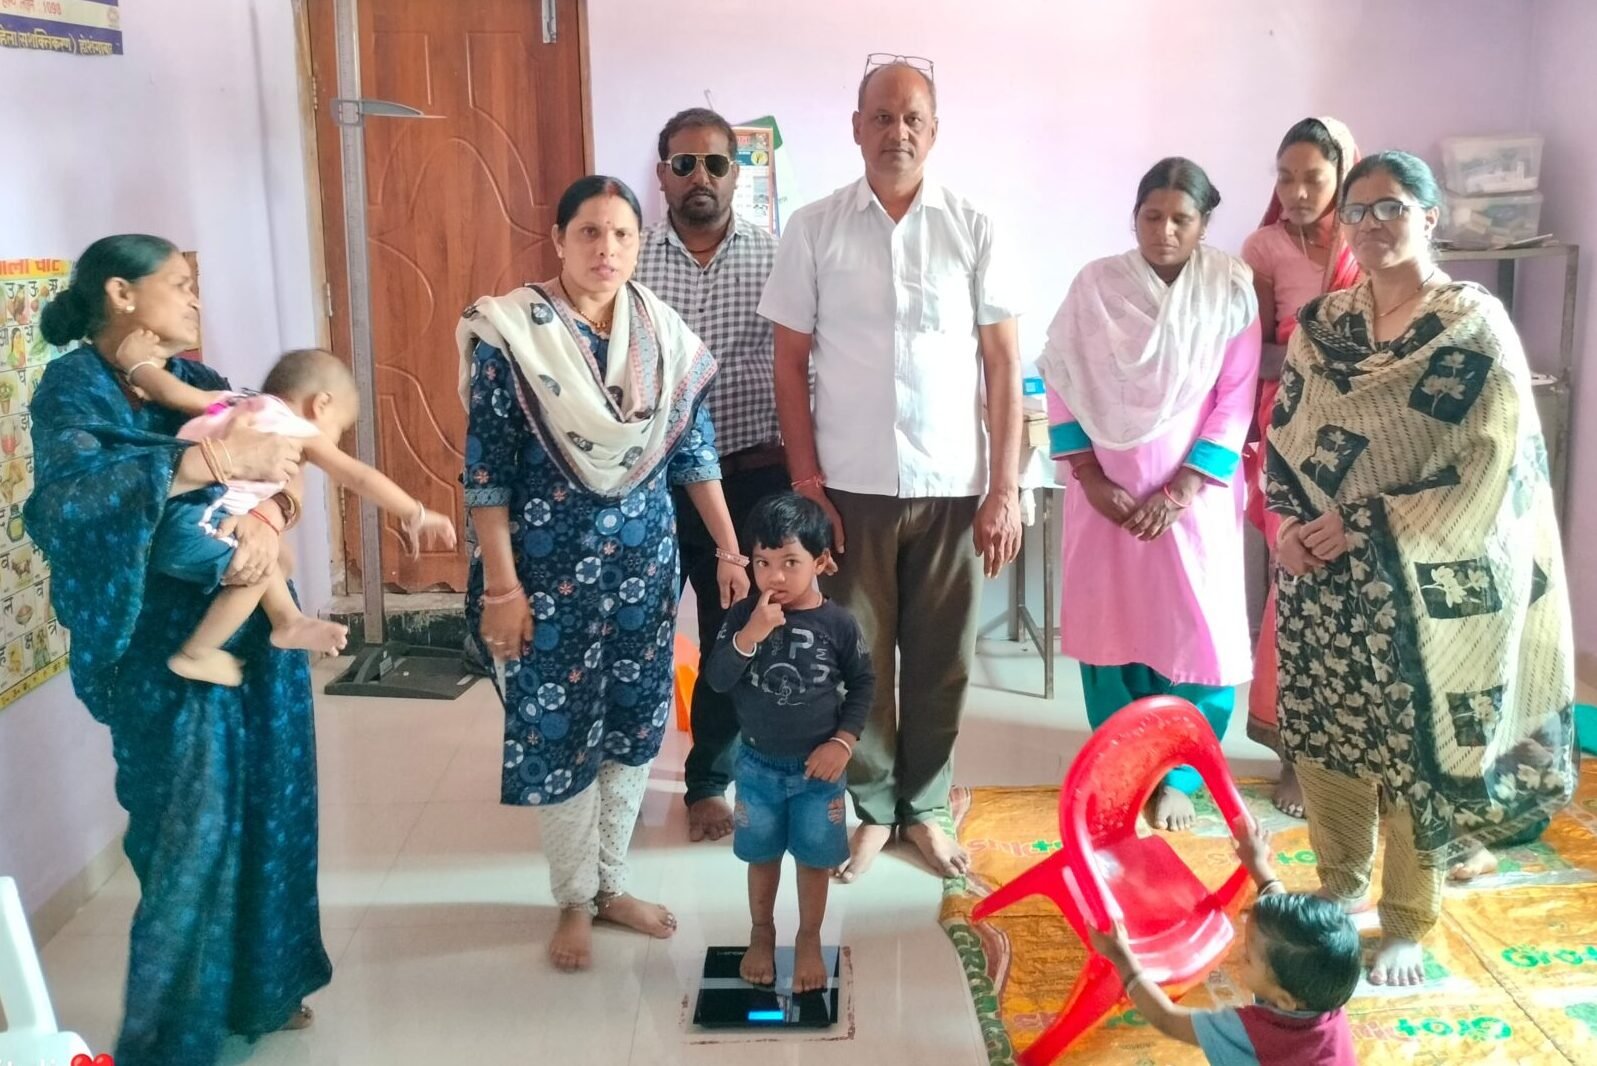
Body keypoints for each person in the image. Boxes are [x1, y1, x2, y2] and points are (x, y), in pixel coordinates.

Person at [1267, 151, 1576, 986]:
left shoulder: (1470, 325)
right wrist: (1288, 526)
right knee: (1329, 736)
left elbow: (1492, 466)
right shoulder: (1324, 327)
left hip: (1423, 587)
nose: (1370, 224)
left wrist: (1363, 523)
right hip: (1323, 579)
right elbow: (1287, 435)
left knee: (1415, 755)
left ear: (1429, 217)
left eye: (1390, 207)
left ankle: (1406, 916)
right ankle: (1339, 883)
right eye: (1356, 211)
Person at [26, 234, 330, 1066]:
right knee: (186, 837)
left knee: (272, 801)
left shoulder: (195, 376)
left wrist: (267, 519)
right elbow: (65, 506)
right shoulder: (74, 388)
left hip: (253, 635)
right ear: (121, 293)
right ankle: (173, 1040)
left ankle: (263, 989)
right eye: (179, 283)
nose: (195, 298)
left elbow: (284, 461)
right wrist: (208, 461)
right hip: (162, 651)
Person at [460, 175, 750, 972]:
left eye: (622, 234)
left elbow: (695, 454)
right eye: (589, 231)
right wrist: (503, 588)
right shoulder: (513, 337)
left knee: (631, 728)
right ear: (558, 239)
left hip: (643, 573)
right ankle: (571, 898)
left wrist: (729, 551)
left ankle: (611, 885)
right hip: (543, 577)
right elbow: (485, 476)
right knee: (559, 735)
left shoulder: (660, 334)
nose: (606, 249)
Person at [759, 56, 1024, 882]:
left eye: (911, 118)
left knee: (942, 659)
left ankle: (927, 806)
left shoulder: (973, 226)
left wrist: (1005, 489)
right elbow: (788, 362)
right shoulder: (815, 228)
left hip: (952, 488)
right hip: (849, 488)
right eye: (880, 116)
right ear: (855, 128)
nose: (895, 132)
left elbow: (1002, 364)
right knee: (858, 657)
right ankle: (874, 807)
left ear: (933, 131)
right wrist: (808, 487)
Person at [1038, 158, 1261, 833]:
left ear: (1203, 223)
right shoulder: (1096, 287)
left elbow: (1236, 397)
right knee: (1114, 633)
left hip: (1193, 500)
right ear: (1134, 217)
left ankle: (1182, 776)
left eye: (1180, 219)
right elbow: (1061, 377)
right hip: (1105, 501)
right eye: (1151, 216)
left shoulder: (1228, 290)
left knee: (1196, 636)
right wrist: (1089, 477)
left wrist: (1183, 487)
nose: (1164, 231)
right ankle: (1123, 768)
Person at [108, 340, 455, 685]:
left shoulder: (234, 401)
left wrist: (138, 367)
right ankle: (196, 654)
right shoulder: (298, 430)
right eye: (340, 428)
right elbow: (358, 476)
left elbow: (172, 392)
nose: (335, 440)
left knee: (280, 558)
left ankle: (288, 621)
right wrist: (415, 513)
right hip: (192, 519)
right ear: (321, 404)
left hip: (165, 511)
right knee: (257, 569)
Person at [635, 107, 784, 844]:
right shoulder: (630, 259)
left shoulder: (776, 257)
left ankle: (708, 781)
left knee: (734, 631)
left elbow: (801, 367)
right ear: (663, 173)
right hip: (651, 482)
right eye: (685, 163)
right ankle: (618, 774)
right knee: (638, 629)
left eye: (716, 163)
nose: (701, 176)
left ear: (736, 174)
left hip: (751, 473)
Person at [702, 492, 874, 993]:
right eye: (762, 562)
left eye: (790, 563)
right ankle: (762, 932)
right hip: (756, 767)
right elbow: (717, 679)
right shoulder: (743, 616)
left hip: (819, 772)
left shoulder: (839, 624)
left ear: (820, 562)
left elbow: (864, 683)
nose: (774, 576)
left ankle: (808, 938)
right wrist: (750, 635)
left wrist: (842, 742)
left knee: (815, 859)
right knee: (761, 855)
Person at [1240, 118, 1362, 820]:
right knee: (1291, 585)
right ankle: (1291, 751)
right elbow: (1254, 354)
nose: (1295, 192)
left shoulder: (1369, 242)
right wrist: (1319, 356)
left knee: (1356, 592)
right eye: (1284, 177)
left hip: (1366, 438)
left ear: (1343, 175)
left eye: (1312, 178)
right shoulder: (1264, 248)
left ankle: (1352, 753)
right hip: (1288, 431)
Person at [1089, 817, 1360, 1065]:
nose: (1241, 954)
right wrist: (1259, 865)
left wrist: (1121, 957)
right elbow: (1286, 928)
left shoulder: (1253, 1032)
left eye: (1249, 957)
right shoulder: (1322, 987)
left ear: (1284, 1000)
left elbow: (1166, 1018)